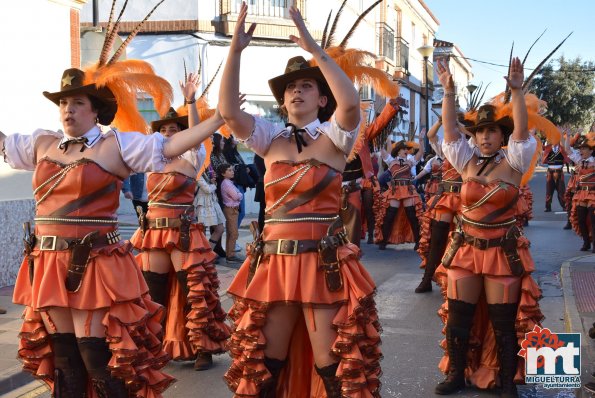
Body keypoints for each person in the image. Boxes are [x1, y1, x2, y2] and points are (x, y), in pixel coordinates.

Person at [5, 60, 226, 398]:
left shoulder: (117, 145)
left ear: (96, 111)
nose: (68, 110)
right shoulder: (42, 143)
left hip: (93, 262)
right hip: (48, 263)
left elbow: (175, 147)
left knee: (97, 358)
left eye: (77, 103)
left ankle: (200, 345)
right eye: (64, 103)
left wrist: (218, 118)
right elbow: (4, 144)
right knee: (65, 362)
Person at [218, 2, 381, 396]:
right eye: (291, 87)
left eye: (306, 85)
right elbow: (227, 111)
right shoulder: (268, 139)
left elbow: (351, 105)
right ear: (283, 100)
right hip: (275, 262)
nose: (296, 91)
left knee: (332, 365)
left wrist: (314, 48)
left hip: (320, 262)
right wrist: (235, 50)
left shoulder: (334, 139)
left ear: (322, 99)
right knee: (265, 364)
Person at [433, 56, 544, 397]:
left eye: (491, 130)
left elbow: (523, 132)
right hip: (466, 249)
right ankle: (455, 374)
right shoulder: (465, 160)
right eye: (480, 131)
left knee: (503, 322)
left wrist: (517, 91)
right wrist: (448, 92)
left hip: (502, 251)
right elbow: (450, 132)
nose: (484, 136)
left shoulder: (514, 160)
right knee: (459, 318)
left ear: (501, 135)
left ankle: (507, 379)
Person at [130, 73, 231, 371]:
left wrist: (190, 100)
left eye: (176, 129)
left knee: (194, 292)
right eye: (165, 130)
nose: (170, 134)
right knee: (152, 293)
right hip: (152, 233)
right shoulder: (152, 160)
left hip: (183, 232)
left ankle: (203, 348)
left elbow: (199, 132)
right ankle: (153, 347)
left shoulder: (191, 156)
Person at [375, 133, 424, 250]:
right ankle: (383, 241)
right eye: (404, 149)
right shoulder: (391, 161)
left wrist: (421, 140)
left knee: (412, 215)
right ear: (398, 152)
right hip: (395, 190)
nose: (406, 150)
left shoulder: (410, 160)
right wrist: (384, 139)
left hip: (407, 189)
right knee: (389, 215)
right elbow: (382, 151)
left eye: (407, 149)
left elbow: (420, 153)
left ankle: (418, 242)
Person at [564, 133, 595, 252]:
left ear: (590, 151)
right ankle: (586, 242)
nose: (581, 151)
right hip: (581, 194)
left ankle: (594, 245)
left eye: (584, 149)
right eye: (581, 149)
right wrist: (566, 136)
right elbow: (567, 149)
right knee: (581, 220)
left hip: (593, 194)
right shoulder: (578, 160)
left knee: (593, 220)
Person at [195, 164, 227, 259]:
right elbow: (207, 189)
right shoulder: (197, 174)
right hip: (203, 203)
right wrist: (213, 184)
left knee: (220, 228)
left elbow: (211, 188)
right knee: (202, 230)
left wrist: (213, 183)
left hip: (212, 202)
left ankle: (208, 252)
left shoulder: (208, 173)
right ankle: (202, 256)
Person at [216, 163, 245, 265]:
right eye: (229, 170)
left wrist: (238, 194)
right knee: (233, 233)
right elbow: (237, 197)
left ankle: (230, 254)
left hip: (232, 209)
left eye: (232, 170)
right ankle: (231, 256)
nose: (232, 172)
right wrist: (240, 195)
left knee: (231, 233)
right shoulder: (227, 184)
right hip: (231, 210)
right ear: (223, 173)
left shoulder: (228, 182)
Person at [542, 139, 570, 212]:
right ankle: (548, 207)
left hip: (559, 172)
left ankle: (564, 206)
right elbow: (538, 146)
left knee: (561, 190)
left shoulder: (562, 147)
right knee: (549, 190)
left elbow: (569, 147)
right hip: (550, 172)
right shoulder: (547, 147)